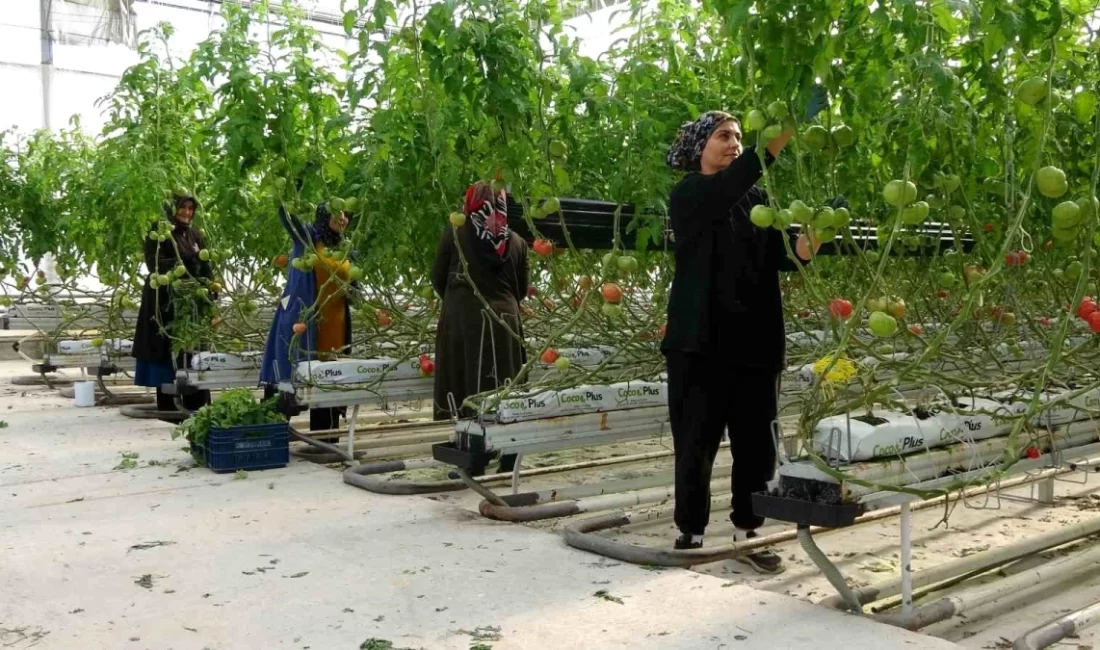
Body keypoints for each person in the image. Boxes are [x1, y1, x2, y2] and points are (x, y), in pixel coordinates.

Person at [661, 87, 828, 573]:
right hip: (700, 343)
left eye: (737, 136)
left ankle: (747, 532)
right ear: (698, 149)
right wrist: (778, 138)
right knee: (696, 442)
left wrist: (818, 231)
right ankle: (690, 533)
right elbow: (729, 185)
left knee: (756, 447)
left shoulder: (756, 200)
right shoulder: (691, 195)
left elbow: (787, 259)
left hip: (754, 344)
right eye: (722, 135)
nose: (733, 142)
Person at [431, 182, 529, 474]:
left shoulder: (456, 232)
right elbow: (521, 290)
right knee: (505, 386)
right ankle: (509, 453)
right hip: (505, 322)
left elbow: (437, 277)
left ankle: (472, 459)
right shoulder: (517, 242)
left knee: (468, 387)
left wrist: (457, 298)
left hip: (465, 321)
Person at [260, 202, 354, 433]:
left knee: (330, 378)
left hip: (334, 325)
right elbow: (286, 215)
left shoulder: (346, 246)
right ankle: (272, 434)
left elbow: (353, 284)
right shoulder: (308, 237)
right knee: (290, 374)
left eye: (345, 214)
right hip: (303, 321)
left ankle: (325, 439)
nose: (342, 218)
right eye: (336, 213)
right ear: (324, 215)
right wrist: (297, 179)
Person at [132, 193, 214, 413]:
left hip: (193, 303)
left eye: (190, 208)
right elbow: (153, 265)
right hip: (165, 302)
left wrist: (212, 290)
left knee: (194, 350)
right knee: (168, 348)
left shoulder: (195, 235)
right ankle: (169, 407)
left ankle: (197, 403)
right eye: (182, 207)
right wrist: (186, 261)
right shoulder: (159, 233)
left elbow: (206, 267)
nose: (187, 212)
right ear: (172, 209)